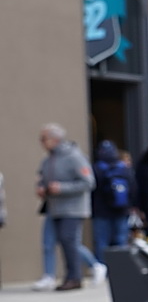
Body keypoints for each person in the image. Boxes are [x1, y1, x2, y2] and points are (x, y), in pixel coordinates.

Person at [35, 124, 96, 291]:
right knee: (57, 242)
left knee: (69, 241)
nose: (41, 142)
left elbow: (88, 182)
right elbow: (42, 177)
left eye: (43, 139)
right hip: (54, 209)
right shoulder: (48, 160)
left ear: (55, 139)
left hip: (73, 209)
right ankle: (66, 276)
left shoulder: (74, 157)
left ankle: (75, 277)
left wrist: (62, 188)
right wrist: (41, 187)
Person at [90, 140, 133, 256]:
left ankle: (103, 269)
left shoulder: (96, 169)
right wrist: (132, 206)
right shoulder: (123, 169)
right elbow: (133, 188)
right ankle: (120, 268)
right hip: (122, 210)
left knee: (101, 242)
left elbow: (92, 189)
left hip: (101, 211)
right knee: (121, 241)